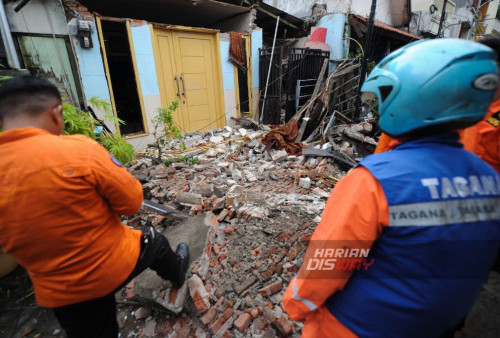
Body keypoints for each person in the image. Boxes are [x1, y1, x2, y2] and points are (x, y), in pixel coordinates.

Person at [282, 39, 500, 337]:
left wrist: (294, 304)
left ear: (413, 98)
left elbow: (326, 268)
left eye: (386, 95)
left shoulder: (373, 183)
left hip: (353, 326)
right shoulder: (489, 179)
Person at [0, 76, 190, 338]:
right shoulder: (80, 150)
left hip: (58, 292)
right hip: (108, 266)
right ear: (56, 114)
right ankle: (178, 273)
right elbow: (132, 203)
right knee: (155, 242)